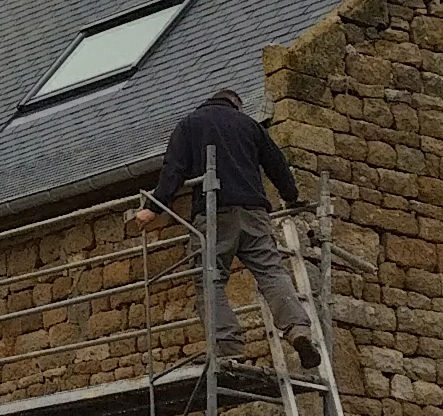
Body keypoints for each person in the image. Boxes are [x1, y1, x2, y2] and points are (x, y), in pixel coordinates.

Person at [133, 84, 313, 368]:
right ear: (235, 105)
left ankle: (228, 346)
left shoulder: (190, 124)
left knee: (209, 278)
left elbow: (174, 170)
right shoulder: (250, 125)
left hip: (215, 212)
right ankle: (298, 327)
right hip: (254, 213)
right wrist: (291, 197)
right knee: (270, 271)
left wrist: (152, 208)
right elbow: (277, 164)